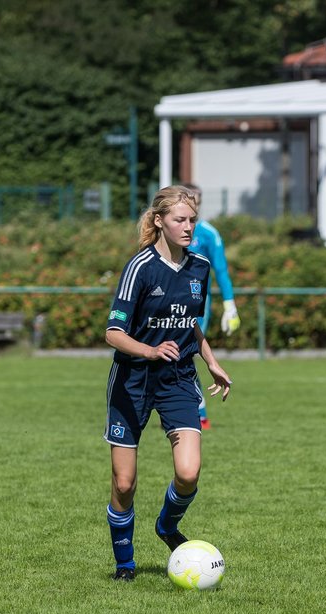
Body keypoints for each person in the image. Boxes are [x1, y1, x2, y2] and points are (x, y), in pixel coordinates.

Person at [104, 185, 233, 582]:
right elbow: (112, 332)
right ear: (159, 221)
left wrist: (211, 361)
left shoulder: (198, 267)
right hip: (133, 381)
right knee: (124, 483)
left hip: (177, 378)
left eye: (192, 219)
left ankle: (165, 525)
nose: (188, 227)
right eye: (180, 219)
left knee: (189, 472)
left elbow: (190, 324)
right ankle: (125, 565)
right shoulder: (140, 267)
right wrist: (148, 350)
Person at [185, 184, 239, 430]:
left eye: (194, 201)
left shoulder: (208, 234)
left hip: (197, 304)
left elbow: (222, 271)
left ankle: (199, 412)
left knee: (187, 353)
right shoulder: (167, 230)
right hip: (165, 301)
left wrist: (230, 306)